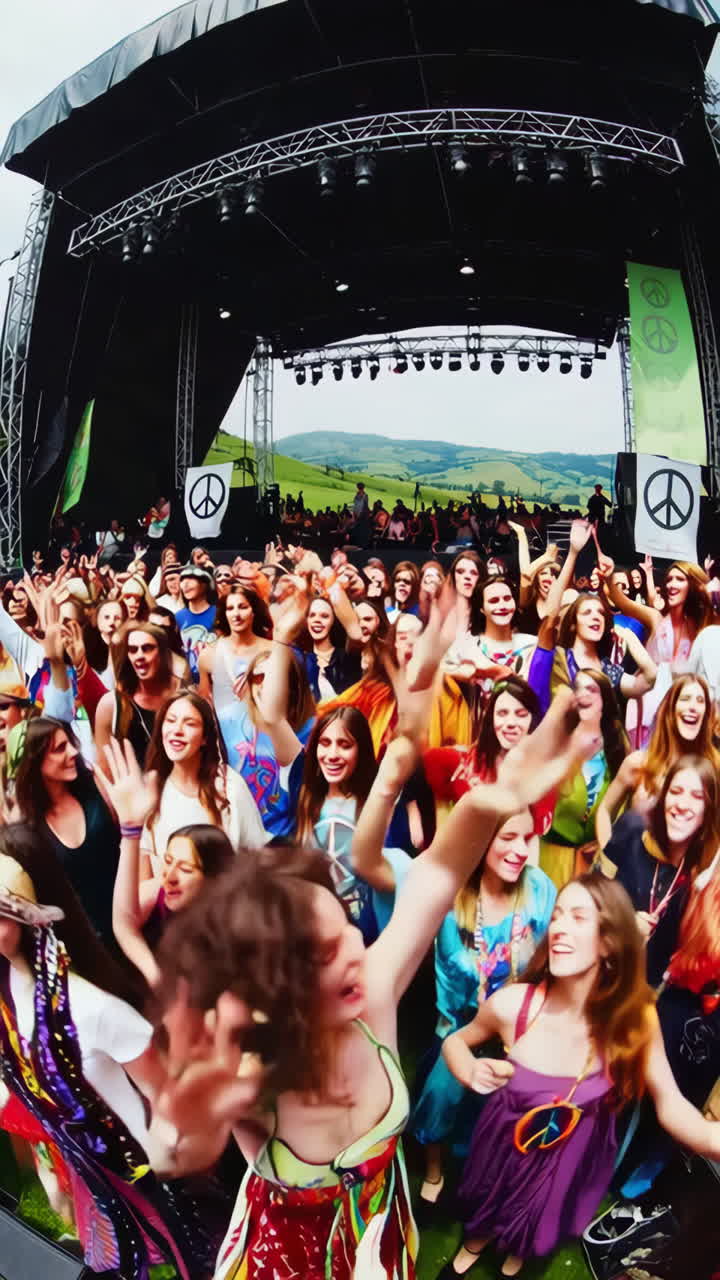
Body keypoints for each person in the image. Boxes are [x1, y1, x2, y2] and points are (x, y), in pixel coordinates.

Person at [149, 685, 598, 1278]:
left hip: (380, 1234)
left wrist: (496, 798)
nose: (357, 950)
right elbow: (172, 1151)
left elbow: (439, 872)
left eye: (347, 930)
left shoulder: (374, 986)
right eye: (326, 951)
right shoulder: (259, 1080)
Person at [438, 872, 720, 1278]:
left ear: (608, 942)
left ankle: (515, 1259)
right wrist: (467, 1067)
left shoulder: (634, 1020)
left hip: (571, 1153)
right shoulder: (515, 1005)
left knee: (537, 1216)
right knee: (488, 1200)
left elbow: (670, 1102)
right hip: (505, 1144)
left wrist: (711, 1138)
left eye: (578, 917)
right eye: (557, 915)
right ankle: (473, 1245)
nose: (559, 927)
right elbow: (455, 1041)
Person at [0, 844, 225, 1280]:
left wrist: (170, 1151)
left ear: (28, 921)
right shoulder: (8, 1003)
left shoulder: (92, 1008)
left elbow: (163, 1091)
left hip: (146, 1169)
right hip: (90, 1170)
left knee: (186, 1259)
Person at [602, 755, 720, 987]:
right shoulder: (631, 830)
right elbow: (591, 899)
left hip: (660, 998)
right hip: (608, 978)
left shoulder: (708, 876)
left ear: (709, 809)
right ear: (664, 796)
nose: (682, 804)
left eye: (697, 796)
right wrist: (625, 923)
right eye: (675, 791)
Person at [14, 717, 121, 947]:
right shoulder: (29, 828)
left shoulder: (95, 787)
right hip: (87, 945)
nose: (73, 752)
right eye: (59, 748)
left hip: (131, 922)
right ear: (35, 761)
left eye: (70, 743)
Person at [139, 689, 267, 879]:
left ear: (205, 738)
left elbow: (258, 861)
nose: (177, 730)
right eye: (170, 720)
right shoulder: (151, 792)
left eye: (190, 723)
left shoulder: (230, 786)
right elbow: (143, 885)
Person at [595, 674, 720, 848]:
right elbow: (604, 810)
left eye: (700, 701)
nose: (692, 706)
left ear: (706, 714)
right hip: (633, 862)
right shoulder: (639, 763)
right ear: (670, 709)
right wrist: (607, 854)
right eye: (685, 699)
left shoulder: (714, 768)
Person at [539, 669, 629, 889]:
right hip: (552, 861)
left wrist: (604, 843)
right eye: (577, 688)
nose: (583, 694)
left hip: (595, 865)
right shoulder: (555, 742)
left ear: (605, 701)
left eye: (592, 689)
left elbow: (624, 805)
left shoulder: (617, 746)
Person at [95, 622, 179, 770]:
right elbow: (104, 769)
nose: (139, 656)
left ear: (162, 653)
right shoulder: (112, 705)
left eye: (147, 648)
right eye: (133, 650)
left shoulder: (183, 693)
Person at [175, 564, 217, 681]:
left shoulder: (218, 613)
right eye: (182, 580)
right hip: (190, 682)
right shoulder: (178, 617)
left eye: (191, 578)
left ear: (205, 584)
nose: (185, 584)